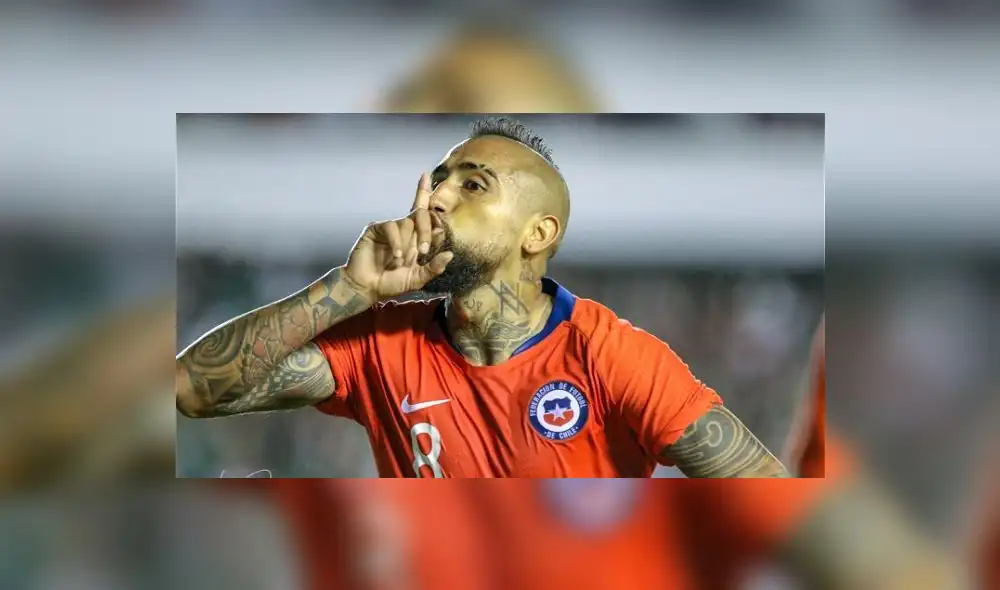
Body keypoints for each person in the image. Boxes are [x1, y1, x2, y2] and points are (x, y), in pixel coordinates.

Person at [176, 115, 789, 478]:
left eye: (474, 185)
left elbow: (769, 500)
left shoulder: (612, 357)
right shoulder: (380, 346)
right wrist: (347, 288)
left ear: (539, 233)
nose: (436, 199)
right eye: (438, 182)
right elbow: (190, 390)